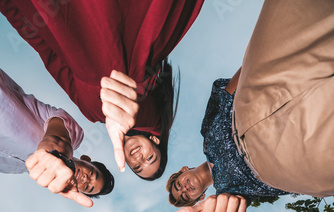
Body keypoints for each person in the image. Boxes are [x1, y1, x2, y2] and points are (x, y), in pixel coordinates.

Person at [167, 0, 334, 212]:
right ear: (200, 199)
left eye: (179, 185)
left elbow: (228, 91)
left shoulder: (206, 135)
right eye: (186, 197)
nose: (185, 189)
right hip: (273, 160)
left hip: (256, 93)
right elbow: (232, 209)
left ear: (182, 170)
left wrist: (257, 54)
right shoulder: (228, 193)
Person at [1, 0, 205, 178]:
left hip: (54, 17)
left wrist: (16, 12)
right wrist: (126, 112)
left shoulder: (93, 114)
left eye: (136, 167)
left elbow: (54, 59)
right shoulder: (150, 117)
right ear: (155, 139)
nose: (139, 159)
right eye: (149, 158)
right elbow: (135, 107)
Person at [0, 69, 114, 207]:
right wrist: (57, 155)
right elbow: (58, 140)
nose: (85, 179)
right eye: (91, 174)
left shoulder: (18, 168)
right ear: (87, 159)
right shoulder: (74, 135)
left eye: (87, 187)